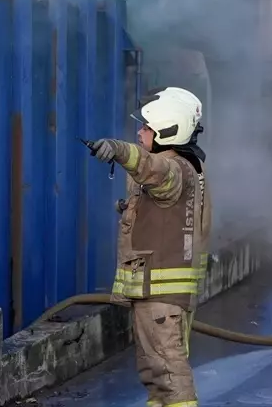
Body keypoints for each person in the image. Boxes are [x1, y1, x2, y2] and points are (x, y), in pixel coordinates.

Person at [88, 87, 211, 407]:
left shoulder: (174, 167)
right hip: (155, 293)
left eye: (147, 128)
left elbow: (152, 172)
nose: (140, 131)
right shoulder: (186, 167)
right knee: (156, 374)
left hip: (162, 294)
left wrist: (118, 149)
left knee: (170, 376)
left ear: (168, 131)